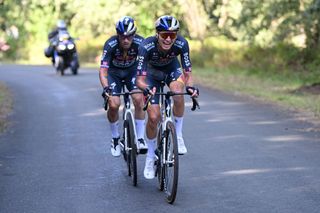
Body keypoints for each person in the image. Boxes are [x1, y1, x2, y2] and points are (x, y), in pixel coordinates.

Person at [136, 15, 199, 179]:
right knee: (154, 117)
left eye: (173, 34)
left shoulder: (182, 43)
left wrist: (190, 87)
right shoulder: (146, 46)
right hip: (150, 76)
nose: (169, 39)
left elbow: (187, 72)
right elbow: (139, 80)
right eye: (165, 35)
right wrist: (147, 89)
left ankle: (178, 135)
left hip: (171, 70)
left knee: (178, 93)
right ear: (157, 34)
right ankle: (150, 155)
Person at [99, 16, 147, 157]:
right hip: (114, 74)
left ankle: (140, 138)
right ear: (117, 34)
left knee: (138, 99)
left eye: (129, 36)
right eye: (122, 36)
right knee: (114, 104)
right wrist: (106, 87)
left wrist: (146, 83)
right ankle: (115, 138)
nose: (126, 40)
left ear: (134, 34)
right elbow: (103, 70)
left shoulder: (141, 42)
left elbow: (147, 65)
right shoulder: (110, 44)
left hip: (132, 72)